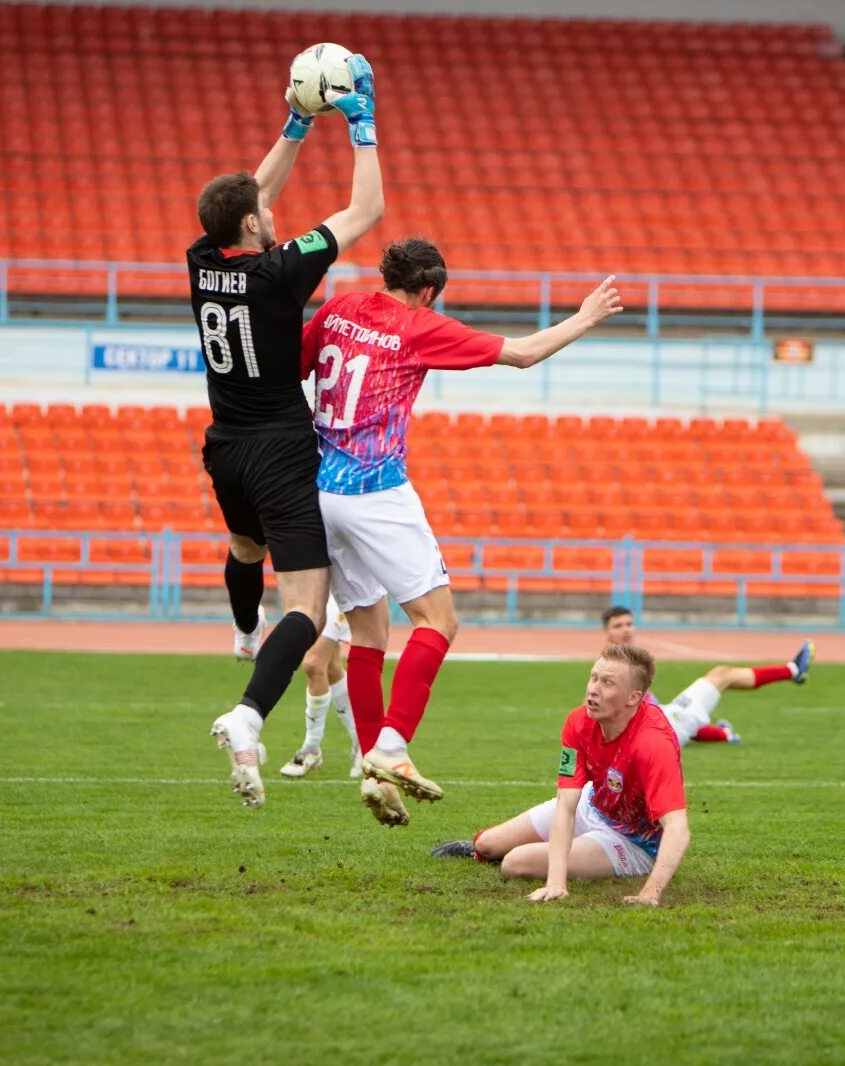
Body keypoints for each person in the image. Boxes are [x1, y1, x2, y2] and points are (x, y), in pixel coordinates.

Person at [299, 236, 622, 826]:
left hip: (319, 491)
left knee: (368, 632)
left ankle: (374, 757)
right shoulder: (418, 326)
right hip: (376, 491)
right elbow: (522, 354)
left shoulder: (337, 308)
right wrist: (584, 316)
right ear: (427, 291)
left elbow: (295, 372)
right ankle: (392, 748)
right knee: (438, 620)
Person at [200, 54, 385, 809]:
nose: (271, 210)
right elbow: (364, 213)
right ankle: (248, 716)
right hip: (280, 447)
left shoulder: (202, 260)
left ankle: (242, 630)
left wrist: (297, 125)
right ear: (253, 225)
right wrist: (360, 124)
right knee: (308, 606)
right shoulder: (280, 270)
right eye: (262, 211)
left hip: (224, 447)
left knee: (246, 549)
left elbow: (250, 193)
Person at [434, 644, 691, 906]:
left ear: (633, 697)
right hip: (594, 804)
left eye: (607, 683)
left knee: (514, 863)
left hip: (632, 842)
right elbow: (566, 806)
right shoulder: (578, 722)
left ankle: (578, 851)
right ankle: (529, 849)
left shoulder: (652, 743)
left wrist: (650, 892)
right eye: (593, 677)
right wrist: (556, 882)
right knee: (487, 844)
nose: (593, 689)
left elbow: (678, 827)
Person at [600, 605, 814, 746]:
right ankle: (793, 670)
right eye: (618, 626)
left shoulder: (625, 660)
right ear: (607, 632)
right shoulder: (614, 665)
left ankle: (725, 734)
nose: (626, 630)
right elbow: (598, 709)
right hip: (663, 728)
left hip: (664, 721)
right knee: (722, 675)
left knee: (714, 682)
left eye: (629, 624)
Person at [279, 595, 362, 779]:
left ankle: (311, 748)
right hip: (313, 588)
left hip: (339, 589)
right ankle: (363, 742)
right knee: (331, 667)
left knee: (313, 664)